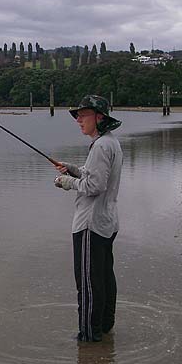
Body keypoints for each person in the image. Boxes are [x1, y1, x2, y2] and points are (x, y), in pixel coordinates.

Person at [54, 95, 123, 342]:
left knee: (88, 283)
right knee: (104, 276)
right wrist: (73, 168)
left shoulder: (102, 145)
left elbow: (95, 184)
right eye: (78, 116)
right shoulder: (109, 143)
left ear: (99, 117)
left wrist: (66, 182)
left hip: (90, 225)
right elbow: (93, 174)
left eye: (83, 115)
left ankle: (89, 335)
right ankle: (105, 325)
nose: (79, 120)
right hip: (106, 222)